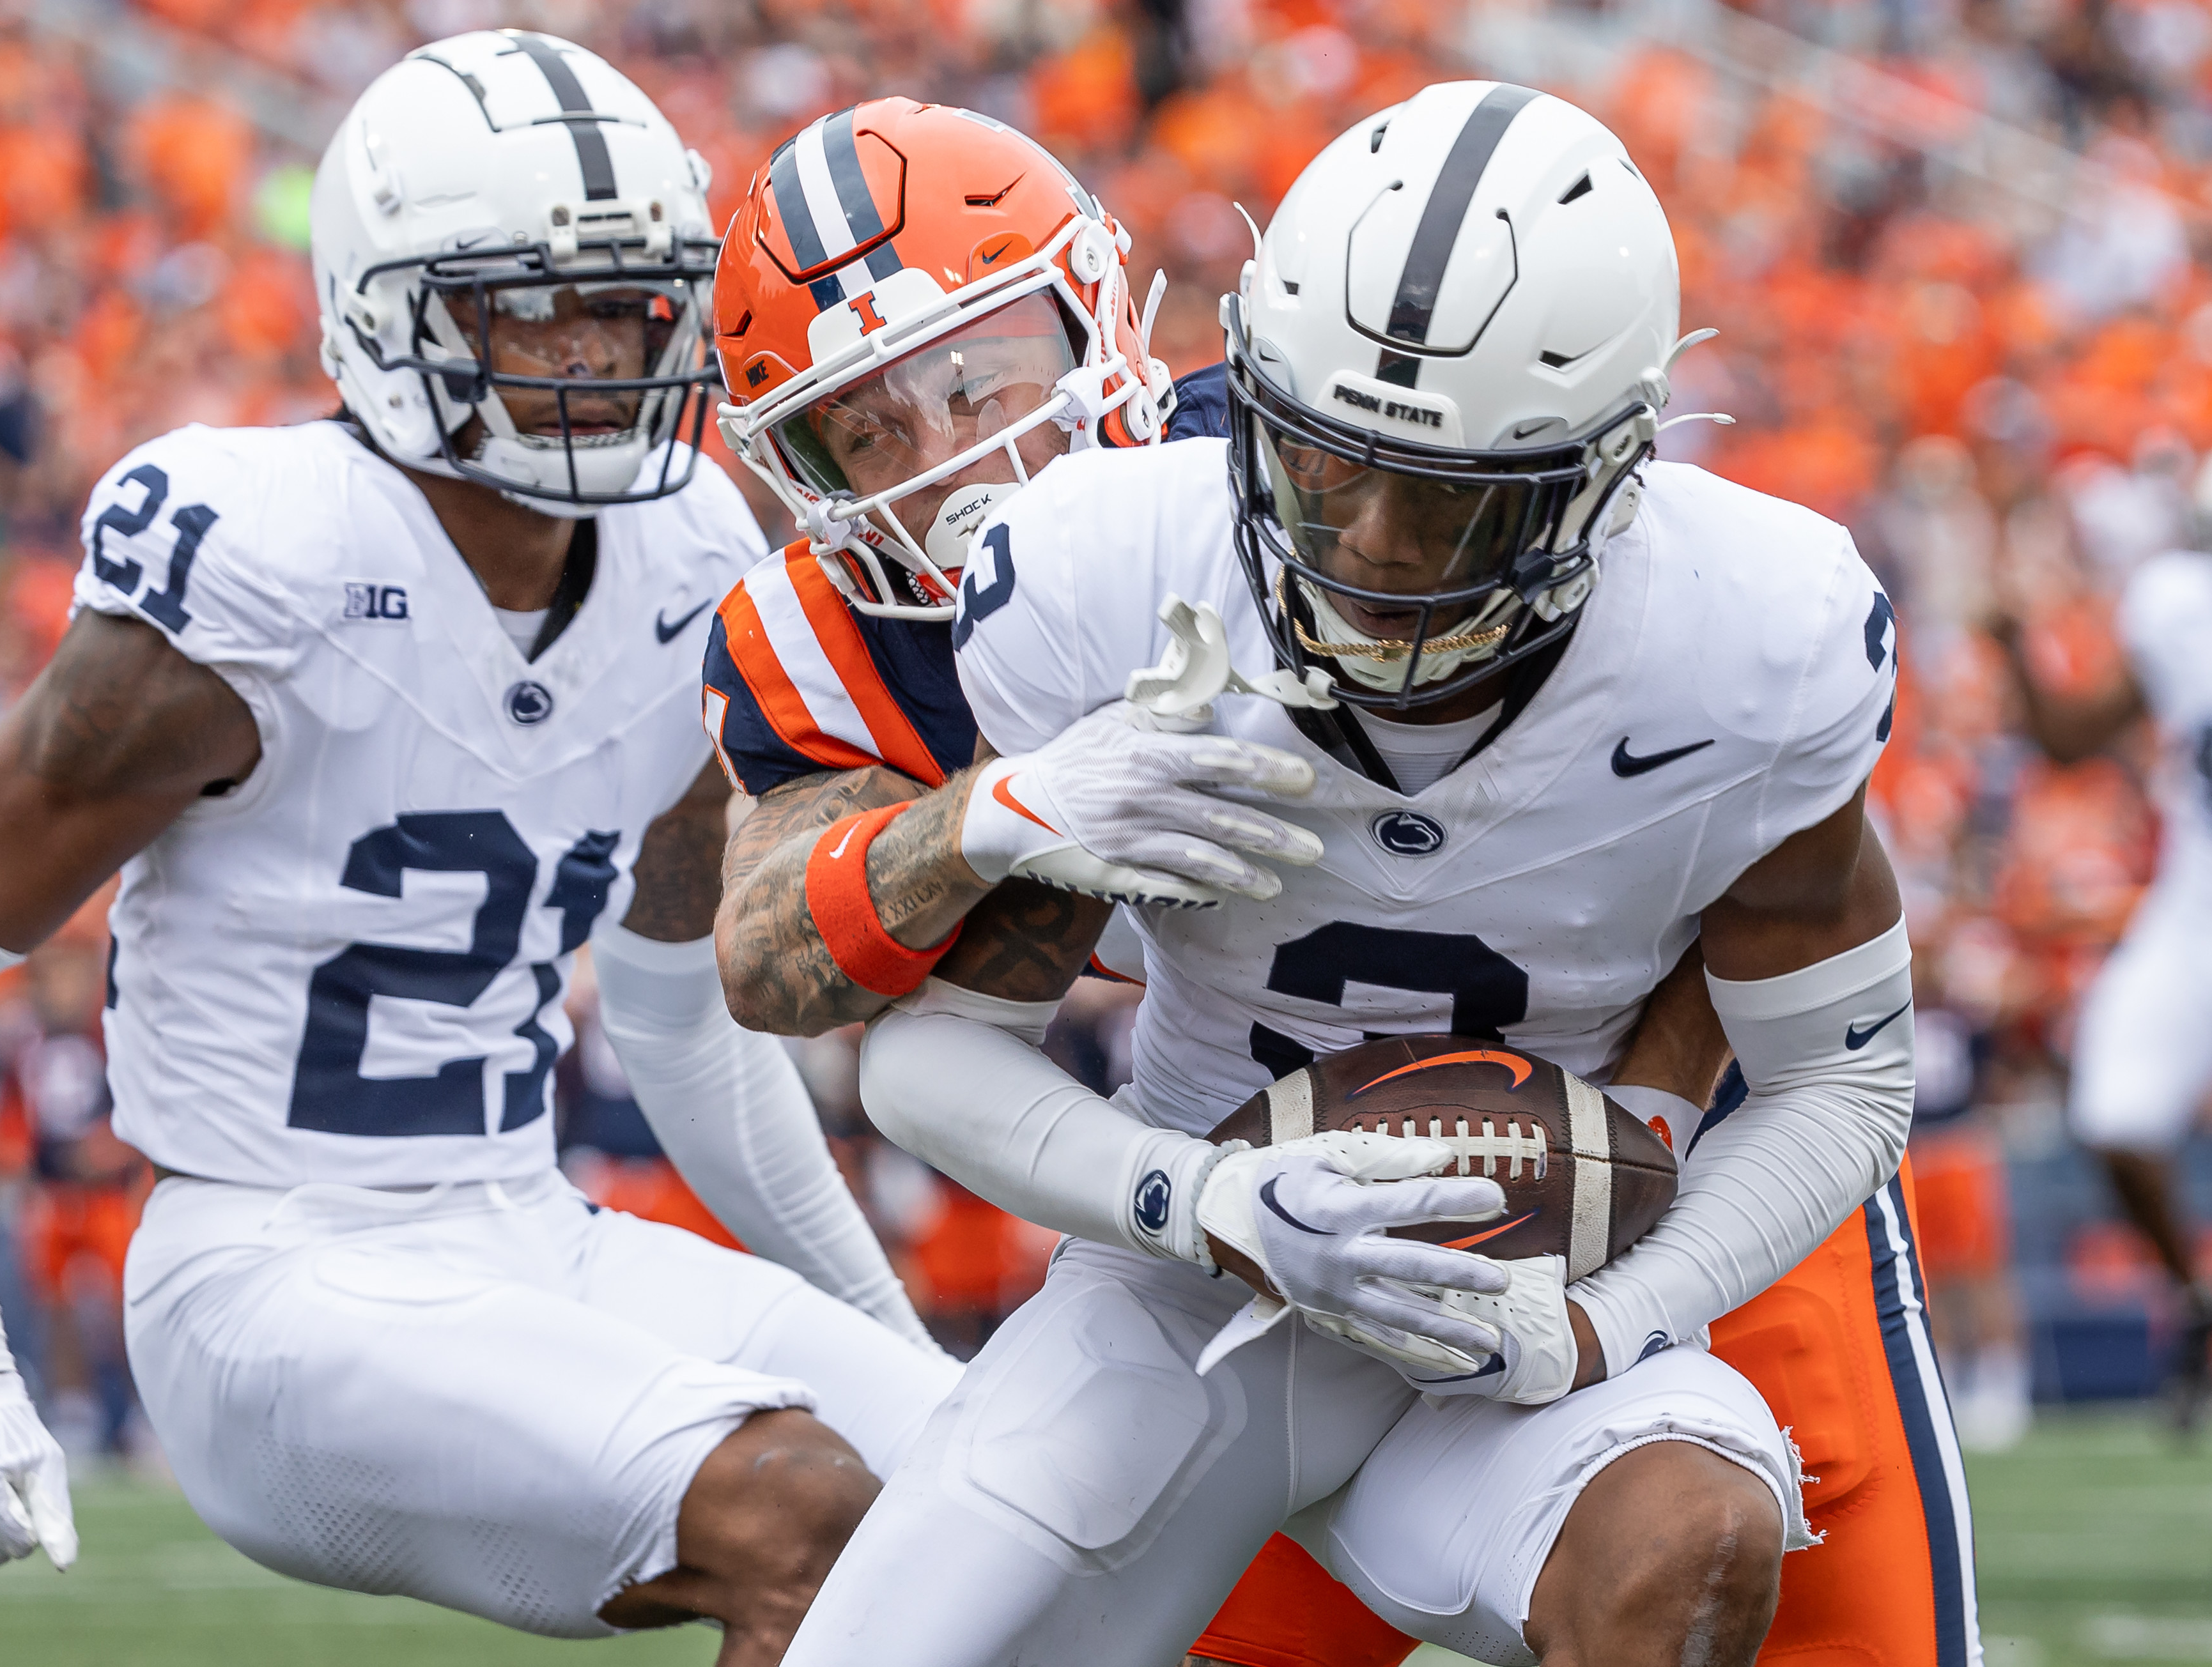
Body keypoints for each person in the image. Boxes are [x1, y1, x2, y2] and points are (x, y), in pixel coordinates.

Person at [792, 82, 1976, 1667]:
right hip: (1185, 1271)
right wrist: (1206, 1197)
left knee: (1685, 1540)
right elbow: (931, 1059)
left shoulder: (1744, 638)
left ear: (1604, 477)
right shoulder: (1105, 570)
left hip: (1550, 1274)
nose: (1369, 548)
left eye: (1448, 502)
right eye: (1320, 468)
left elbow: (1840, 1082)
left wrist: (1599, 1321)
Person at [0, 33, 957, 1659]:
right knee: (795, 1511)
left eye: (631, 302)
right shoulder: (267, 560)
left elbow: (673, 1018)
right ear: (390, 310)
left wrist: (885, 1341)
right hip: (268, 1274)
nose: (599, 347)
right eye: (537, 306)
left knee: (999, 1496)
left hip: (525, 1225)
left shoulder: (686, 547)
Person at [1990, 487, 2212, 1429]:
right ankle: (2197, 1303)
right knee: (2112, 1112)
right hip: (2194, 906)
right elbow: (2069, 741)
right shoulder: (2177, 603)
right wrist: (2009, 644)